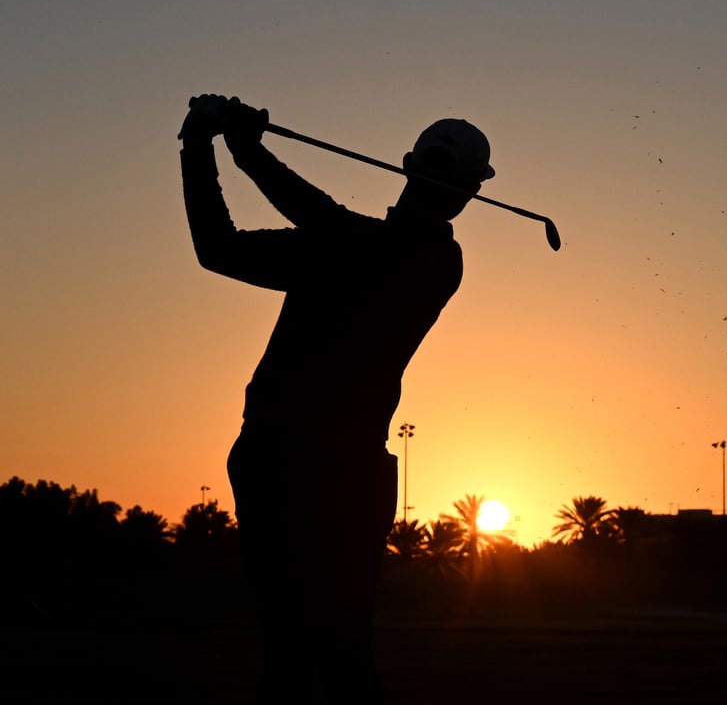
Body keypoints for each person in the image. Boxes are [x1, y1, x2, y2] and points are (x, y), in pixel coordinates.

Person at [178, 93, 493, 702]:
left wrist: (246, 151)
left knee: (341, 649)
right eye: (440, 169)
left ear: (465, 194)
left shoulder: (434, 260)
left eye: (451, 177)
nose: (444, 187)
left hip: (342, 469)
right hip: (273, 456)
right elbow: (218, 249)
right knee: (289, 648)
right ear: (413, 166)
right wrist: (198, 150)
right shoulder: (335, 243)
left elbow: (329, 223)